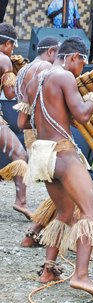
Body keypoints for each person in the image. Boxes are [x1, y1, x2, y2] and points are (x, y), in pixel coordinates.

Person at [22, 37, 93, 297]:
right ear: (73, 57)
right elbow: (83, 114)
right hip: (61, 154)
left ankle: (48, 269)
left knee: (64, 212)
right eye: (82, 62)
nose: (82, 68)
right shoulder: (64, 77)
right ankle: (81, 275)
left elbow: (23, 122)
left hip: (42, 155)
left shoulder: (35, 79)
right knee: (91, 210)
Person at [13, 36, 60, 247]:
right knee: (65, 186)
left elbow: (22, 117)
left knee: (61, 188)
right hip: (43, 134)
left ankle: (34, 233)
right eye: (58, 55)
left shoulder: (24, 69)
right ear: (51, 52)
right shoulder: (43, 68)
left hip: (33, 131)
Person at [0, 23, 31, 219]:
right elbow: (10, 93)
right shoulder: (4, 60)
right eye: (13, 46)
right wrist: (23, 81)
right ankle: (21, 201)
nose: (13, 51)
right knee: (20, 154)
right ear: (8, 43)